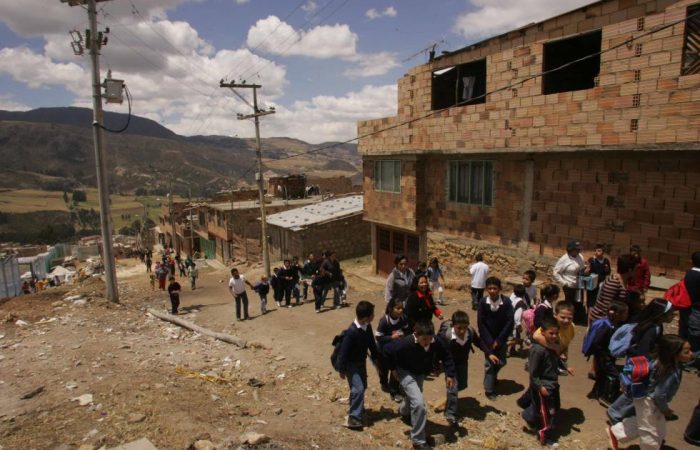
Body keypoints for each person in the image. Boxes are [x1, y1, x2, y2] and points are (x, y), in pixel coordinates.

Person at [607, 335, 693, 450]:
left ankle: (617, 432)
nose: (691, 354)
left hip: (647, 400)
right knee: (652, 433)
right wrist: (665, 409)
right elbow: (659, 394)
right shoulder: (670, 371)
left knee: (648, 424)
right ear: (674, 353)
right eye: (686, 352)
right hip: (651, 402)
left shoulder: (660, 362)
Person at [384, 320, 456, 450]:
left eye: (430, 338)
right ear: (416, 335)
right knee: (419, 403)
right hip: (405, 372)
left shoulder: (435, 341)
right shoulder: (406, 342)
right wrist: (393, 368)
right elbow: (387, 349)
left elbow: (446, 355)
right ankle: (418, 440)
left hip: (420, 372)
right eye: (424, 339)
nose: (427, 342)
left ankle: (404, 412)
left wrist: (450, 374)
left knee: (414, 395)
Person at [608, 299, 676, 424]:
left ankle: (618, 411)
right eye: (671, 313)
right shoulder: (652, 329)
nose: (673, 316)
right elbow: (643, 351)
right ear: (661, 315)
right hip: (641, 365)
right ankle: (615, 412)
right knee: (636, 391)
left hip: (640, 364)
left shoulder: (655, 326)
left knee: (635, 391)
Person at [520, 315, 573, 447]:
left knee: (554, 408)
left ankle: (529, 416)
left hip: (553, 384)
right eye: (551, 333)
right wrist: (540, 387)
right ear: (542, 332)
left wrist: (566, 367)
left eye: (556, 333)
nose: (554, 336)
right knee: (546, 413)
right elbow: (533, 373)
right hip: (544, 386)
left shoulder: (553, 347)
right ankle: (545, 436)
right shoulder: (537, 350)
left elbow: (556, 360)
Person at [335, 301, 380, 430]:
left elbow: (371, 344)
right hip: (351, 365)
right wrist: (342, 370)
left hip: (361, 362)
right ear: (367, 317)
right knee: (358, 388)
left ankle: (356, 406)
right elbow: (343, 353)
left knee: (362, 386)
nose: (374, 316)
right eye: (372, 314)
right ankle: (354, 417)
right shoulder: (352, 332)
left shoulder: (367, 326)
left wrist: (376, 358)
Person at [439, 310, 480, 426]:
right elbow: (437, 350)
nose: (462, 331)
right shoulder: (446, 336)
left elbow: (478, 342)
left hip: (462, 362)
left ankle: (450, 401)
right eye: (459, 328)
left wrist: (489, 353)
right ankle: (451, 414)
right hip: (449, 365)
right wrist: (436, 365)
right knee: (453, 388)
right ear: (453, 326)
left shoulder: (470, 332)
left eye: (465, 327)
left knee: (461, 385)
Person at [477, 276, 514, 399]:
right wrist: (489, 341)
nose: (492, 291)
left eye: (495, 288)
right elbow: (481, 323)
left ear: (499, 289)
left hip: (501, 338)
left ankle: (492, 377)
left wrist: (499, 340)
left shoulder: (506, 302)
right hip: (487, 338)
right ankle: (489, 390)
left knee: (501, 361)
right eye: (490, 288)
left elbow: (510, 322)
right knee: (489, 364)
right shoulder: (483, 303)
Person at [586, 301, 629, 405]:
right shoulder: (607, 326)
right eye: (624, 313)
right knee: (614, 375)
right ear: (616, 314)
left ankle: (596, 393)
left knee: (602, 375)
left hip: (606, 356)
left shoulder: (613, 324)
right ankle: (607, 397)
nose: (626, 315)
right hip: (604, 357)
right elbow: (597, 342)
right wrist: (604, 354)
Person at [375, 298, 410, 402]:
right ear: (390, 309)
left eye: (402, 308)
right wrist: (391, 337)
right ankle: (384, 382)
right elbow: (378, 337)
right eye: (398, 308)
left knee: (396, 369)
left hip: (396, 350)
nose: (401, 310)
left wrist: (403, 334)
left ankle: (394, 391)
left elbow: (407, 329)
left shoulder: (403, 318)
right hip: (383, 350)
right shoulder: (384, 321)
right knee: (383, 369)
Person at [589, 254, 637, 324]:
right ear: (630, 270)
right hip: (601, 321)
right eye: (636, 268)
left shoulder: (624, 281)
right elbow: (606, 306)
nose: (637, 271)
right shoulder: (613, 282)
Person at [532, 301, 576, 375]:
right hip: (544, 356)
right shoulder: (551, 325)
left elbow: (566, 343)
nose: (566, 320)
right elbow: (535, 336)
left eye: (569, 318)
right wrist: (553, 346)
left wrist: (564, 352)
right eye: (562, 317)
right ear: (555, 315)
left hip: (557, 355)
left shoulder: (572, 327)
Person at [553, 240, 587, 324]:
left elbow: (582, 268)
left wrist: (585, 270)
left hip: (579, 285)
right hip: (569, 286)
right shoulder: (564, 259)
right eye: (576, 249)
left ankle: (577, 320)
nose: (578, 251)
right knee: (570, 303)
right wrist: (564, 283)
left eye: (579, 249)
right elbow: (556, 273)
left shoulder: (580, 257)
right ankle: (568, 319)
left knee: (579, 302)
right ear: (571, 249)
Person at [681, 251, 700, 358]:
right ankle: (691, 359)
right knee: (695, 335)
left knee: (684, 331)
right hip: (696, 311)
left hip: (685, 308)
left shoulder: (688, 274)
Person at [586, 243, 611, 310]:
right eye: (595, 250)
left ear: (603, 252)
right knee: (591, 301)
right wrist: (587, 270)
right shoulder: (591, 260)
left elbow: (608, 272)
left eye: (599, 250)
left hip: (601, 284)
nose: (596, 252)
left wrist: (607, 270)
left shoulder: (606, 261)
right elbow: (587, 272)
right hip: (592, 284)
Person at [508, 284, 529, 356]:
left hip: (510, 321)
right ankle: (505, 346)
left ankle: (512, 350)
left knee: (516, 337)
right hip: (515, 324)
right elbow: (517, 316)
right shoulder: (521, 304)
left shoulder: (513, 298)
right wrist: (519, 325)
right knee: (516, 339)